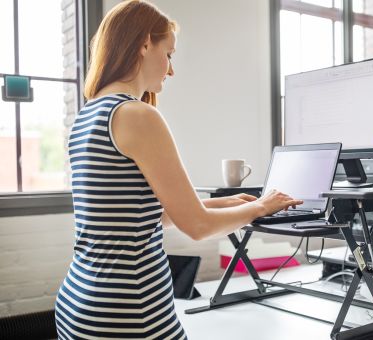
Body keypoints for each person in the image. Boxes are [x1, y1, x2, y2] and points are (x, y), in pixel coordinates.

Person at [54, 1, 302, 338]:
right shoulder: (136, 115)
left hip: (80, 303)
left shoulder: (88, 114)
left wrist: (231, 204)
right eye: (169, 53)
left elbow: (155, 215)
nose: (171, 69)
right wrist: (262, 206)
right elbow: (196, 226)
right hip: (129, 310)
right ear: (144, 43)